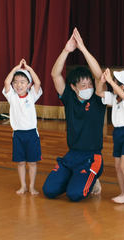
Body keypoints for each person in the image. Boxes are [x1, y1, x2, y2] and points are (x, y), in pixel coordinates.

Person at [42, 28, 106, 202]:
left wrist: (83, 49)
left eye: (89, 84)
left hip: (91, 157)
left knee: (74, 195)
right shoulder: (69, 97)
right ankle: (77, 178)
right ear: (73, 87)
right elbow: (55, 74)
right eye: (83, 85)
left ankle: (92, 179)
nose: (88, 88)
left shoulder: (98, 98)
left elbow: (100, 76)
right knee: (48, 191)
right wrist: (66, 51)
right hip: (72, 155)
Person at [96, 68, 124, 203]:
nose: (111, 84)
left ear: (121, 86)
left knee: (123, 166)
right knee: (117, 166)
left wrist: (110, 81)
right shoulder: (114, 97)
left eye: (114, 82)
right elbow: (99, 92)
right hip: (117, 133)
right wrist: (102, 81)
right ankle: (122, 192)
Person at [2, 58, 43, 195]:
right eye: (16, 82)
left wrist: (29, 69)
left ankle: (32, 186)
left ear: (28, 84)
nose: (18, 85)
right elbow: (6, 82)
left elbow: (38, 82)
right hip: (18, 134)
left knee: (32, 162)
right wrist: (15, 69)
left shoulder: (32, 96)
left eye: (22, 82)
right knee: (20, 162)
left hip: (31, 134)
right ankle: (23, 186)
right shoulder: (12, 96)